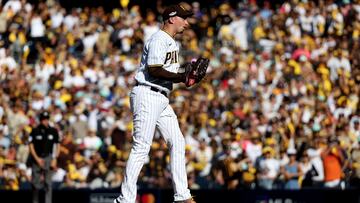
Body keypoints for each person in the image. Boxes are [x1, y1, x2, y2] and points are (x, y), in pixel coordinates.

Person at [114, 4, 196, 203]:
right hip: (147, 94)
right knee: (141, 147)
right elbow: (154, 69)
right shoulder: (160, 38)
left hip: (160, 98)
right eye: (183, 18)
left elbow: (167, 74)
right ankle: (124, 200)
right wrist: (181, 76)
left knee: (177, 141)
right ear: (171, 19)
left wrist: (186, 77)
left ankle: (182, 196)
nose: (186, 22)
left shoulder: (171, 42)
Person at [29, 111, 60, 203]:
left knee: (48, 183)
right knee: (35, 183)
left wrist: (55, 158)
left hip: (48, 158)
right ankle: (35, 201)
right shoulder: (35, 131)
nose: (45, 121)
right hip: (37, 158)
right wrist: (37, 158)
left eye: (46, 119)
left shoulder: (53, 131)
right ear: (40, 120)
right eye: (43, 119)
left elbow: (57, 145)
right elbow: (31, 146)